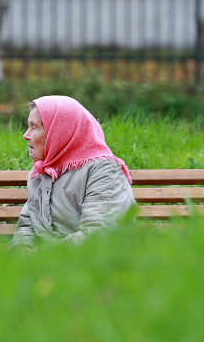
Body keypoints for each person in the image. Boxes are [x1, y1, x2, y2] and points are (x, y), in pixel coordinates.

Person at [10, 95, 136, 251]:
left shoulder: (104, 171)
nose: (26, 135)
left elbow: (96, 234)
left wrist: (40, 256)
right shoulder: (44, 169)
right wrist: (22, 248)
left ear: (58, 132)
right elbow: (28, 225)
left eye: (34, 127)